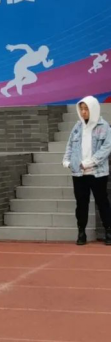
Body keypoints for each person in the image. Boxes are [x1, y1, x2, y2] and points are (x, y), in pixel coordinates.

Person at [63, 96, 111, 246]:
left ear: (93, 109)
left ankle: (109, 231)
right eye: (81, 109)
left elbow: (106, 148)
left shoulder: (104, 126)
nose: (83, 112)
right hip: (79, 173)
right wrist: (67, 161)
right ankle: (81, 232)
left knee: (102, 202)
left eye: (86, 109)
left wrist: (89, 162)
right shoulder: (77, 127)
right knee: (81, 204)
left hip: (98, 173)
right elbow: (70, 145)